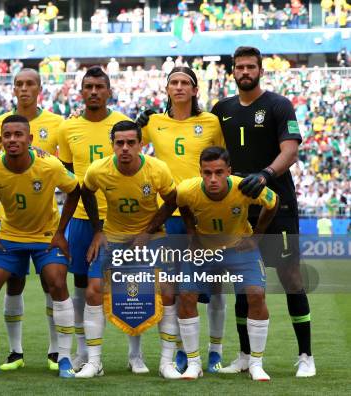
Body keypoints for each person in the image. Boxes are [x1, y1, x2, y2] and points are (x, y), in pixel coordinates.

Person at [211, 46, 315, 377]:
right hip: (239, 210)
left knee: (290, 277)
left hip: (278, 203)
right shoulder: (221, 109)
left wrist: (266, 175)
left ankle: (306, 357)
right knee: (244, 281)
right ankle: (244, 355)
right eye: (239, 67)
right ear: (232, 72)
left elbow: (291, 151)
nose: (245, 71)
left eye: (250, 67)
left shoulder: (278, 105)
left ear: (260, 70)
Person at [0, 115, 81, 378]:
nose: (13, 140)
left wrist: (61, 232)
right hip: (9, 236)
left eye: (19, 135)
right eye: (7, 135)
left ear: (30, 139)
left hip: (46, 236)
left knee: (57, 281)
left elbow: (74, 190)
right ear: (1, 140)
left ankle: (64, 358)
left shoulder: (49, 165)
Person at [135, 66, 227, 373]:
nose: (178, 87)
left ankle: (215, 351)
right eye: (173, 82)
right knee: (170, 288)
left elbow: (225, 163)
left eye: (184, 83)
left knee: (214, 285)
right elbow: (130, 145)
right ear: (166, 89)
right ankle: (178, 351)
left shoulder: (210, 122)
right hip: (169, 216)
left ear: (195, 90)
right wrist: (138, 122)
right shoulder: (154, 122)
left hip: (207, 214)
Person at [57, 67, 145, 373]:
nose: (93, 91)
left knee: (132, 286)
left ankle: (136, 354)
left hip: (123, 221)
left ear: (109, 91)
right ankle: (84, 352)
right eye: (88, 87)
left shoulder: (123, 125)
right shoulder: (67, 129)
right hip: (83, 219)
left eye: (99, 86)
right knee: (82, 285)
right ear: (81, 92)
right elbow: (69, 180)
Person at [76, 120, 180, 379]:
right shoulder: (98, 170)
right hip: (112, 237)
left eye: (130, 143)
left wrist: (147, 232)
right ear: (112, 145)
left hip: (152, 237)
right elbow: (86, 192)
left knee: (166, 291)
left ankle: (166, 363)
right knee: (93, 290)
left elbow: (172, 201)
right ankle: (95, 362)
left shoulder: (157, 169)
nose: (125, 148)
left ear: (141, 145)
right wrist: (97, 231)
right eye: (119, 143)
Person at [176, 146, 278, 381]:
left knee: (256, 295)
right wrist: (192, 233)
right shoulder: (187, 190)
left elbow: (273, 202)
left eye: (219, 172)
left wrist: (257, 237)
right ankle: (194, 364)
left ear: (229, 172)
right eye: (207, 172)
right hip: (204, 249)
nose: (213, 179)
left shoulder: (243, 188)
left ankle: (256, 364)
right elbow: (182, 205)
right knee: (187, 296)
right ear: (200, 172)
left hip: (239, 248)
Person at [0, 68, 64, 371]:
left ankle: (56, 351)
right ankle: (15, 352)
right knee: (12, 284)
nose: (23, 88)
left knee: (51, 284)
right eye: (18, 83)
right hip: (10, 223)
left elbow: (63, 171)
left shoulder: (57, 124)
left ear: (40, 88)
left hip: (46, 222)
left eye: (29, 83)